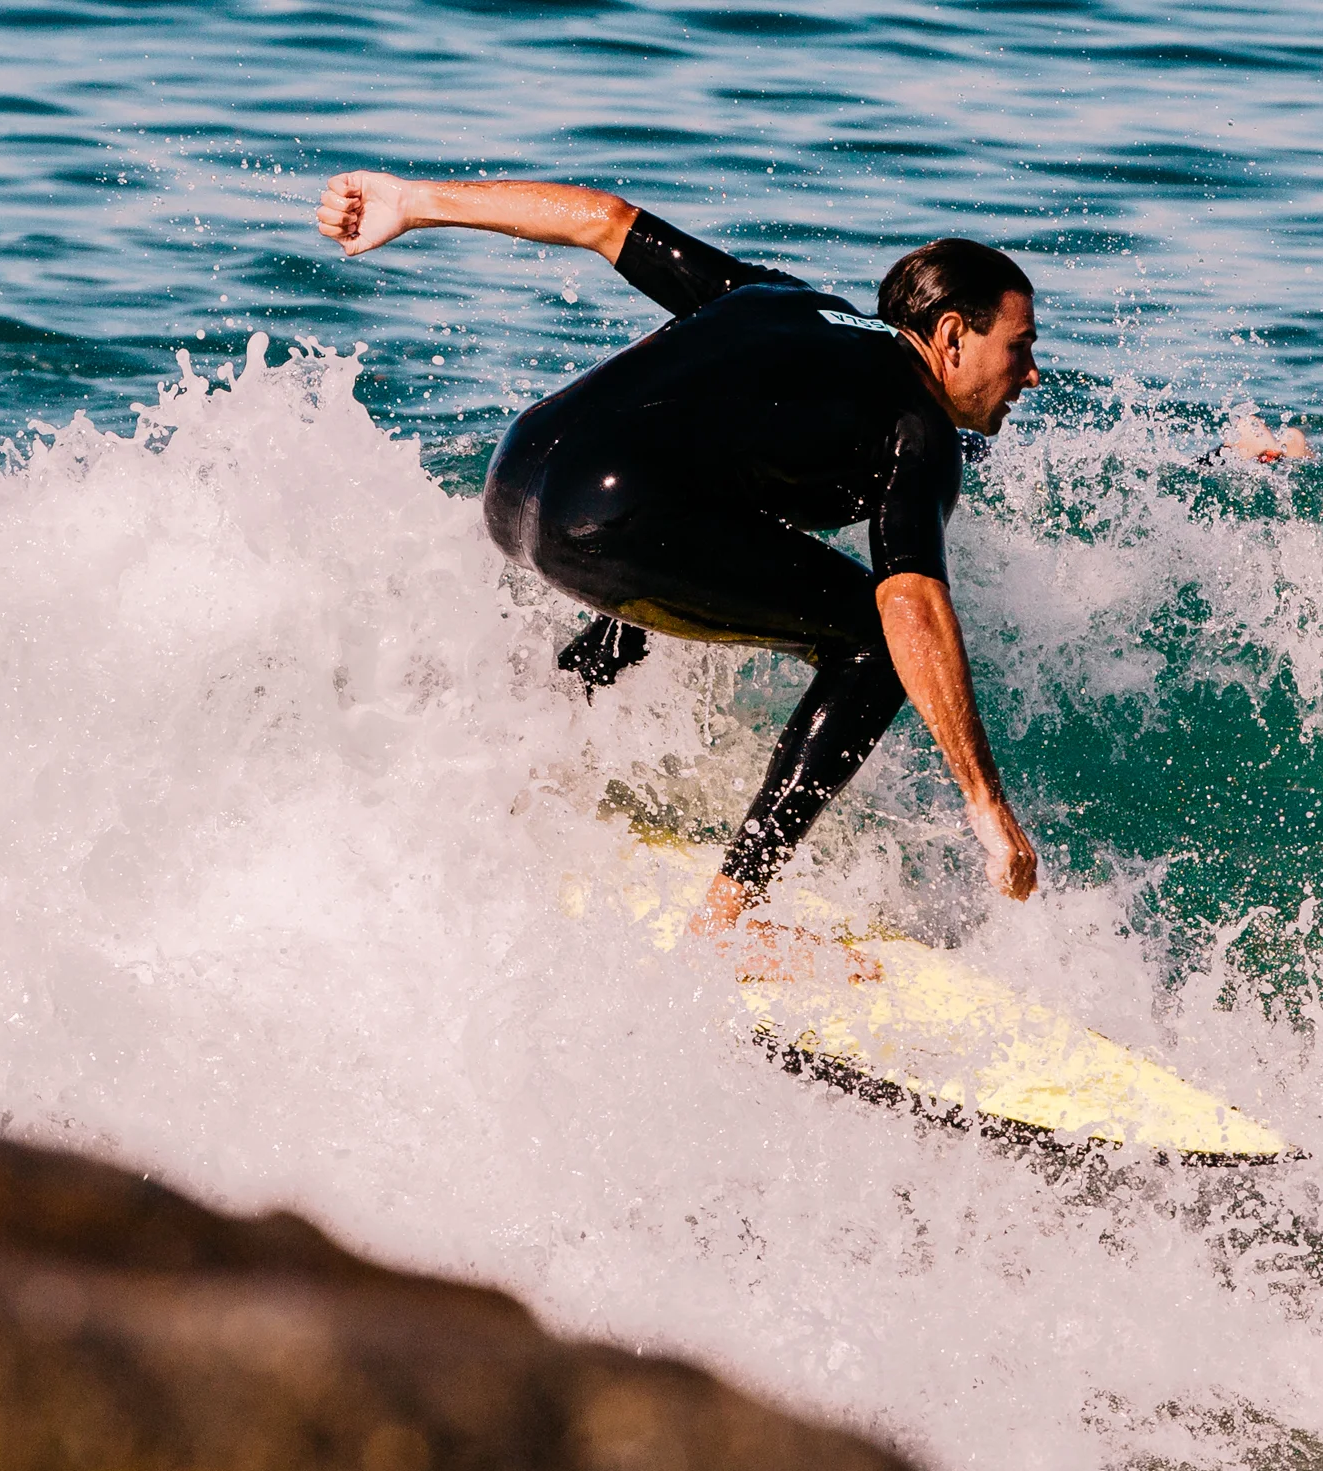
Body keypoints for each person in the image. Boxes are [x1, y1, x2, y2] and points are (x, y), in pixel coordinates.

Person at [317, 171, 1042, 934]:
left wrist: (413, 203)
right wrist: (987, 803)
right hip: (608, 519)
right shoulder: (917, 427)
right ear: (952, 335)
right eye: (1019, 347)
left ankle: (511, 757)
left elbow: (604, 219)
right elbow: (911, 605)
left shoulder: (780, 298)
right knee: (873, 644)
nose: (1030, 373)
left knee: (697, 552)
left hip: (517, 476)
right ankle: (730, 915)